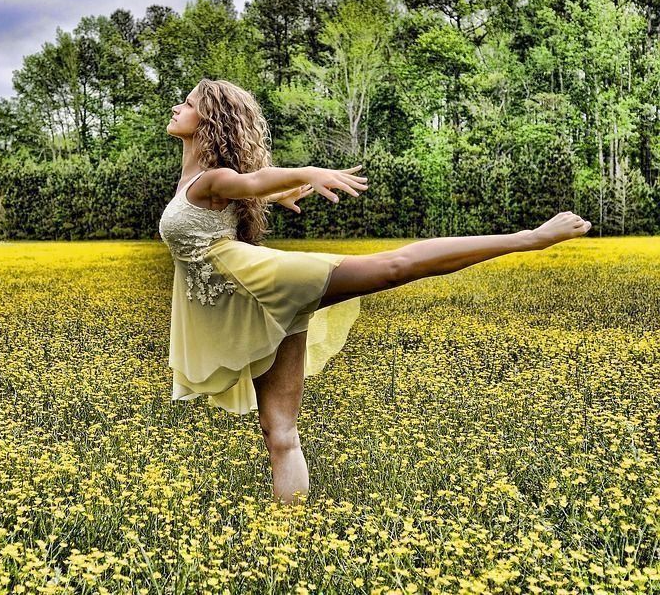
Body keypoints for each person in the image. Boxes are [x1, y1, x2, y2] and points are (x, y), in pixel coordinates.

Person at [158, 78, 592, 505]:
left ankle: (527, 237)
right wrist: (278, 195)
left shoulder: (212, 179)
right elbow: (239, 196)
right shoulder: (196, 183)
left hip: (256, 282)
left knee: (392, 267)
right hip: (244, 303)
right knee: (279, 430)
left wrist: (302, 174)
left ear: (209, 120)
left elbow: (251, 181)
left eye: (189, 103)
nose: (178, 107)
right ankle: (290, 534)